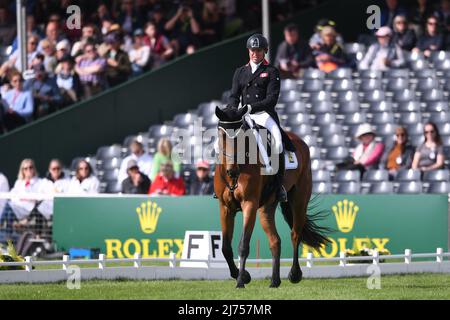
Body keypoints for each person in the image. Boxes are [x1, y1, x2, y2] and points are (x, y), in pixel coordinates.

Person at [225, 33, 295, 202]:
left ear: (264, 51)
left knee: (277, 141)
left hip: (264, 114)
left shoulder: (271, 71)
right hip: (244, 115)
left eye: (258, 50)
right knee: (221, 140)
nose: (255, 53)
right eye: (252, 50)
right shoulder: (240, 72)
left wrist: (251, 107)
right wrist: (232, 110)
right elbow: (234, 96)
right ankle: (223, 184)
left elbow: (271, 99)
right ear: (248, 51)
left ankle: (279, 187)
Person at [0, 159, 47, 237]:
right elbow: (13, 195)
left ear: (34, 169)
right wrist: (21, 198)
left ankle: (1, 225)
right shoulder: (19, 182)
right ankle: (8, 237)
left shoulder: (40, 182)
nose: (28, 170)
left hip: (30, 209)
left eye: (30, 167)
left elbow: (40, 196)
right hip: (17, 207)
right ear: (22, 171)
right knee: (9, 211)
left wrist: (29, 198)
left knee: (9, 208)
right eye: (25, 168)